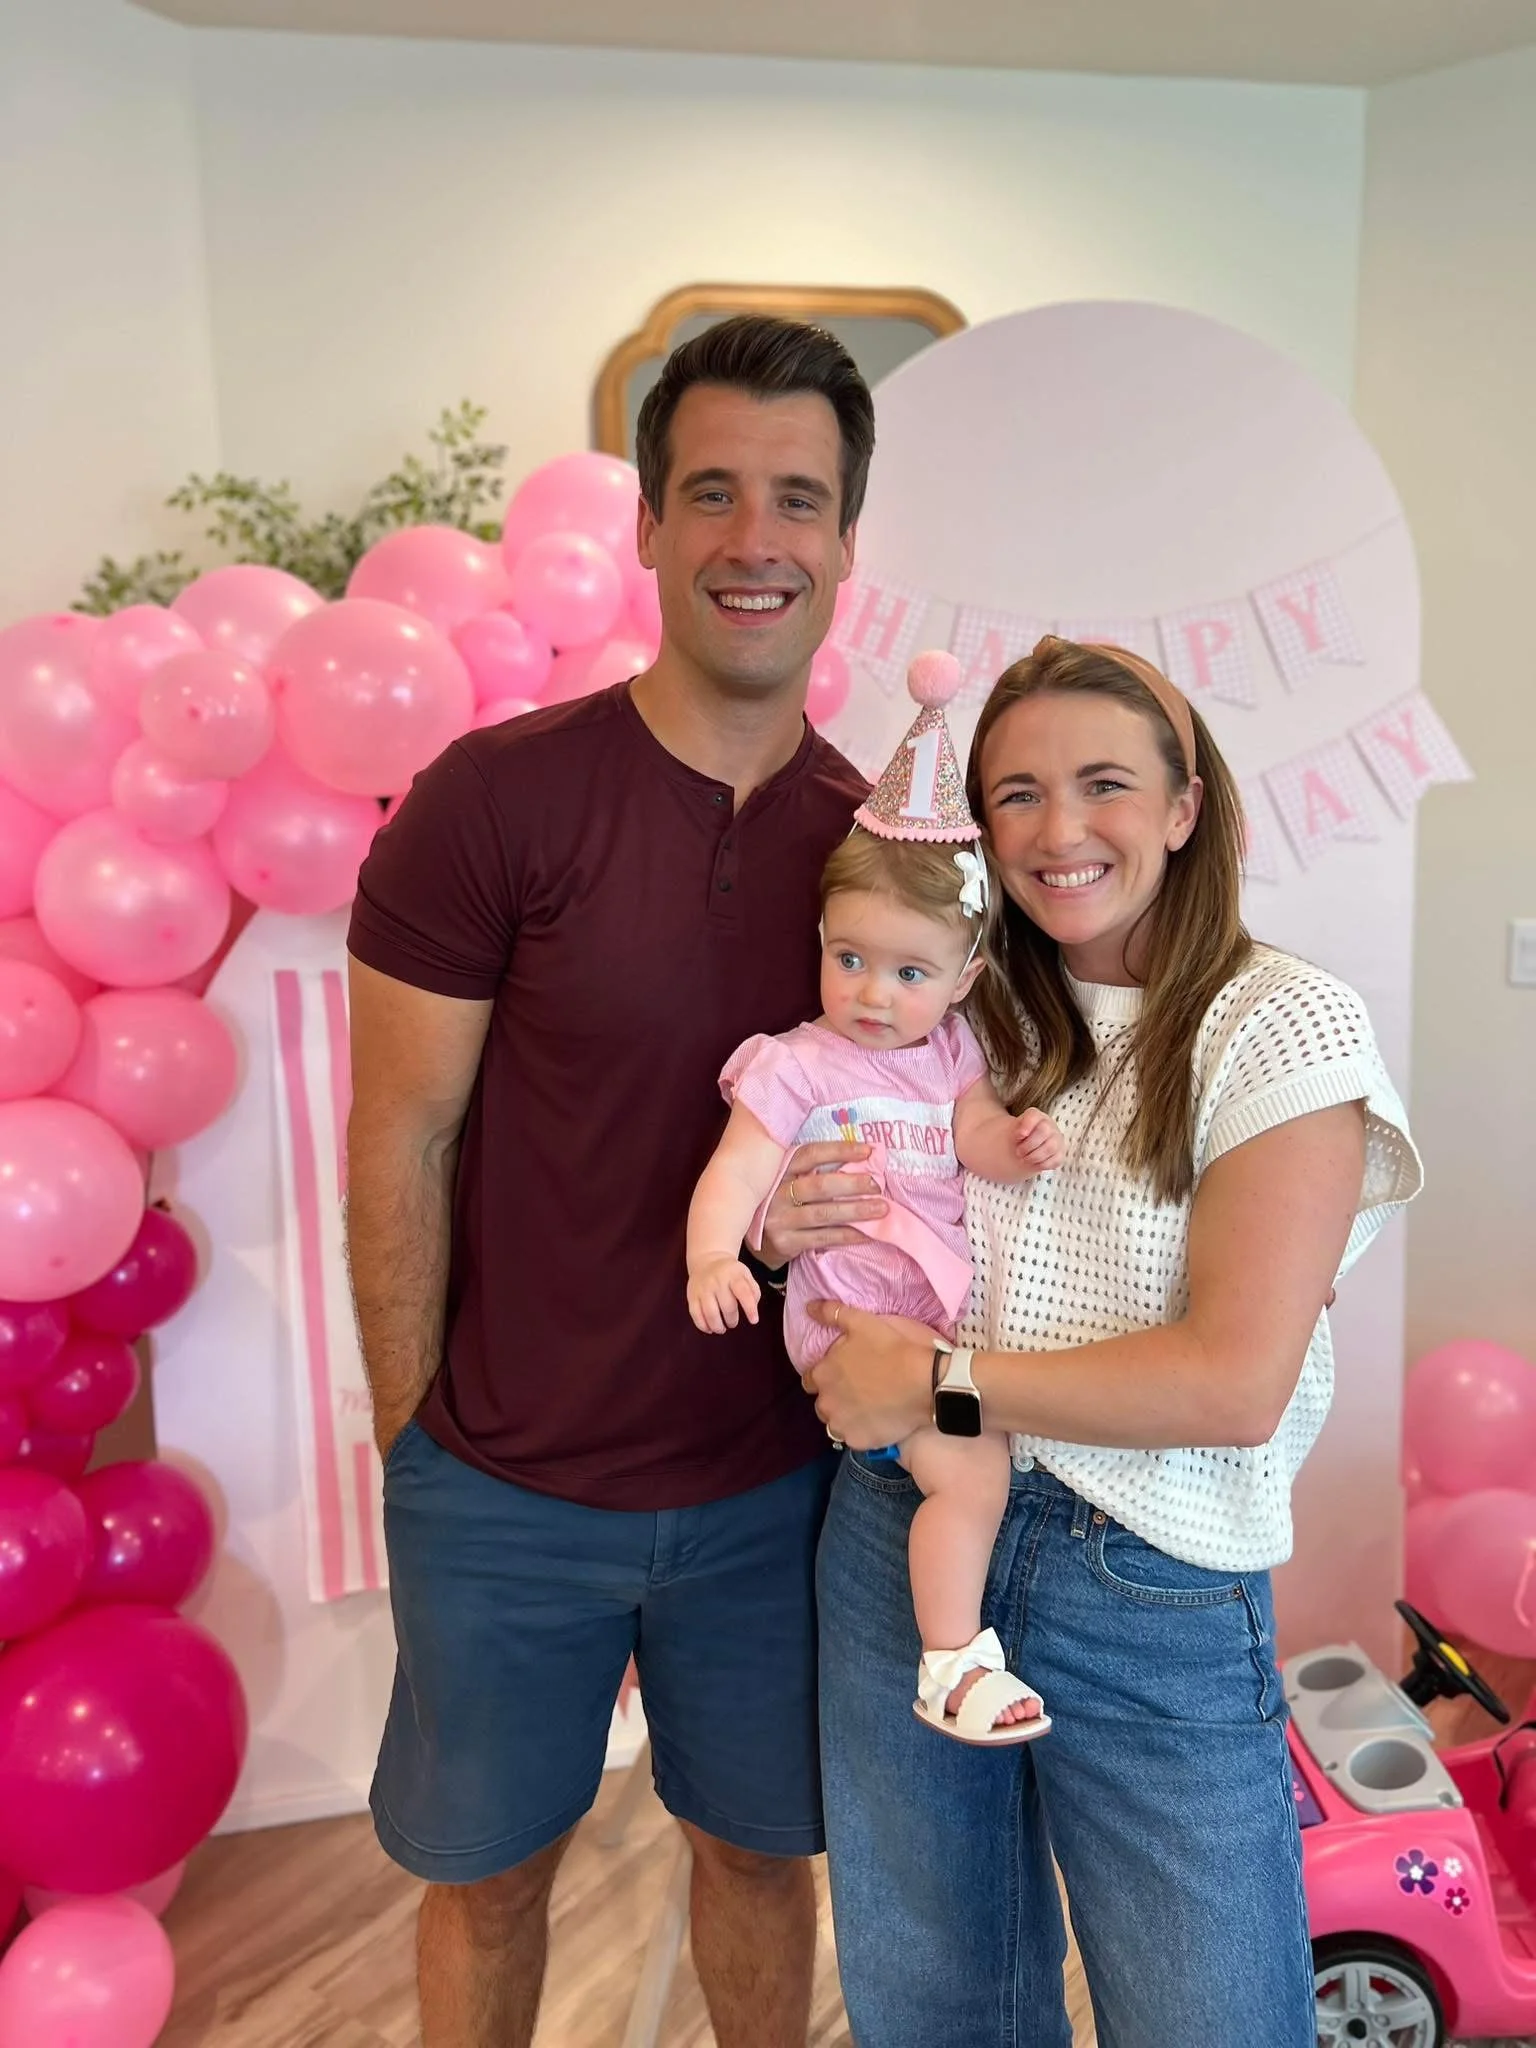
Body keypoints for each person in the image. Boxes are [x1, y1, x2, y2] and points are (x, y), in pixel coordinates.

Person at [344, 315, 888, 2048]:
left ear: (845, 545)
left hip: (774, 1493)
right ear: (648, 526)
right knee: (490, 1880)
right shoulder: (492, 801)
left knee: (760, 1861)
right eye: (711, 492)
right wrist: (417, 1439)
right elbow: (402, 1133)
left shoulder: (877, 852)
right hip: (505, 1487)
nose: (754, 539)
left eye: (796, 500)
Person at [789, 635, 1424, 2046]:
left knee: (1211, 2019)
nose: (1058, 829)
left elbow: (1231, 1382)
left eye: (1104, 784)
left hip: (1149, 1569)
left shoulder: (1280, 1026)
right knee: (936, 2005)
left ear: (1185, 806)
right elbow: (823, 1147)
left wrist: (934, 1382)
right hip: (906, 1531)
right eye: (1015, 794)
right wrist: (788, 1217)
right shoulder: (963, 1003)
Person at [687, 649, 1063, 1745]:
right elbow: (736, 1171)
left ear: (962, 981)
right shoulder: (798, 1062)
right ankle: (952, 1661)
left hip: (928, 1323)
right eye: (850, 959)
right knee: (972, 1471)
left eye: (909, 974)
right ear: (821, 942)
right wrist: (713, 1255)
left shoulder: (951, 1054)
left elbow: (974, 1138)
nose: (873, 994)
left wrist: (1016, 1144)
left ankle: (955, 1652)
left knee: (977, 1457)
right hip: (847, 1317)